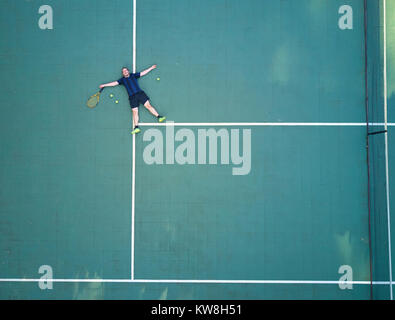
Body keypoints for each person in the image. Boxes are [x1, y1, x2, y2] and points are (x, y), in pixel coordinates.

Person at [99, 65, 166, 134]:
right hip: (132, 97)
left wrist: (151, 68)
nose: (125, 72)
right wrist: (104, 85)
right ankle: (136, 127)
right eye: (123, 71)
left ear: (128, 71)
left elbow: (143, 73)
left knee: (148, 106)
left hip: (140, 94)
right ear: (123, 74)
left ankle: (159, 117)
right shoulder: (122, 80)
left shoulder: (133, 75)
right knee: (134, 112)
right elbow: (114, 83)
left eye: (125, 70)